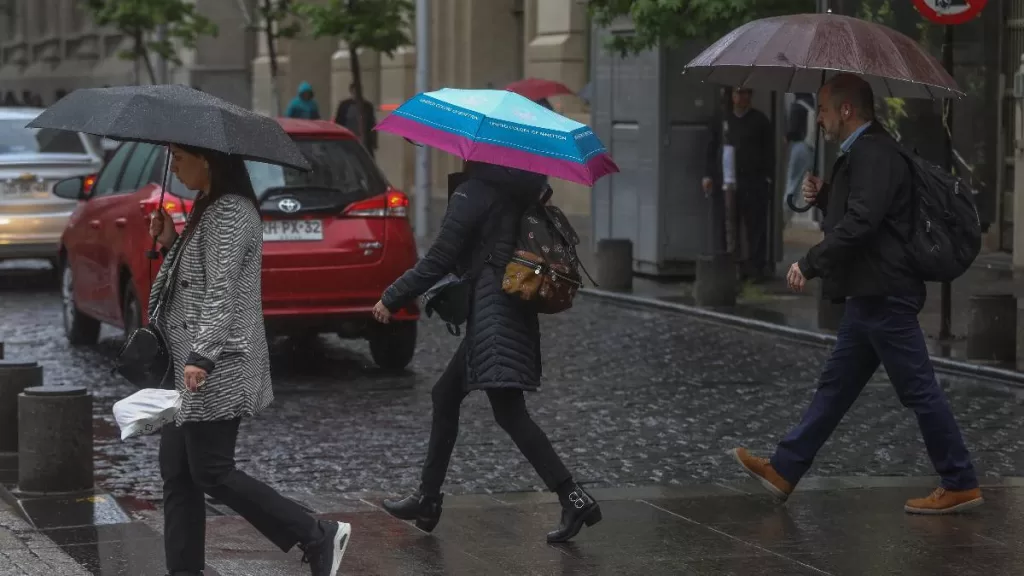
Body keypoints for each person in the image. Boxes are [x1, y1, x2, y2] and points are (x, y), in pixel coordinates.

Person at [729, 73, 982, 515]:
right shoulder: (865, 151)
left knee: (919, 389)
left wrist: (810, 263)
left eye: (824, 109)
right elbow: (871, 213)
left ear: (846, 110)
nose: (819, 118)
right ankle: (785, 468)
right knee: (835, 388)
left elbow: (863, 223)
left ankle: (960, 481)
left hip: (885, 292)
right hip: (870, 294)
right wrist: (826, 196)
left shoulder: (874, 152)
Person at [373, 160, 602, 543]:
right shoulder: (521, 188)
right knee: (446, 395)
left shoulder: (475, 192)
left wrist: (392, 297)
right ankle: (427, 499)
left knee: (509, 412)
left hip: (494, 312)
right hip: (508, 307)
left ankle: (574, 498)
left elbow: (439, 258)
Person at [148, 144, 350, 576]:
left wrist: (203, 355)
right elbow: (197, 279)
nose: (174, 166)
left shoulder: (231, 212)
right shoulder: (207, 205)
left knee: (212, 471)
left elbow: (221, 291)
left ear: (207, 159)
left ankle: (316, 534)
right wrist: (171, 242)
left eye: (179, 157)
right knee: (177, 471)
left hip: (216, 363)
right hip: (189, 360)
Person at [703, 87, 774, 282]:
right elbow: (711, 148)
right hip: (727, 179)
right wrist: (708, 175)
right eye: (738, 93)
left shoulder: (760, 121)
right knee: (726, 224)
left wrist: (767, 176)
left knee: (755, 225)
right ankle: (728, 265)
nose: (742, 97)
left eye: (746, 93)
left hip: (753, 180)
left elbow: (768, 151)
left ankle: (756, 267)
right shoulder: (721, 120)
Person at [784, 94, 815, 226]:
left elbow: (793, 130)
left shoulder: (797, 106)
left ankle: (785, 214)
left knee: (793, 181)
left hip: (799, 146)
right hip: (812, 148)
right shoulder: (813, 104)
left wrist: (786, 138)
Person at [333, 83, 378, 157]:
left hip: (364, 141)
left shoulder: (367, 106)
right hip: (348, 140)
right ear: (351, 92)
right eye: (354, 91)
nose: (356, 94)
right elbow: (338, 122)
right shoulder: (344, 105)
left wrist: (373, 141)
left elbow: (372, 123)